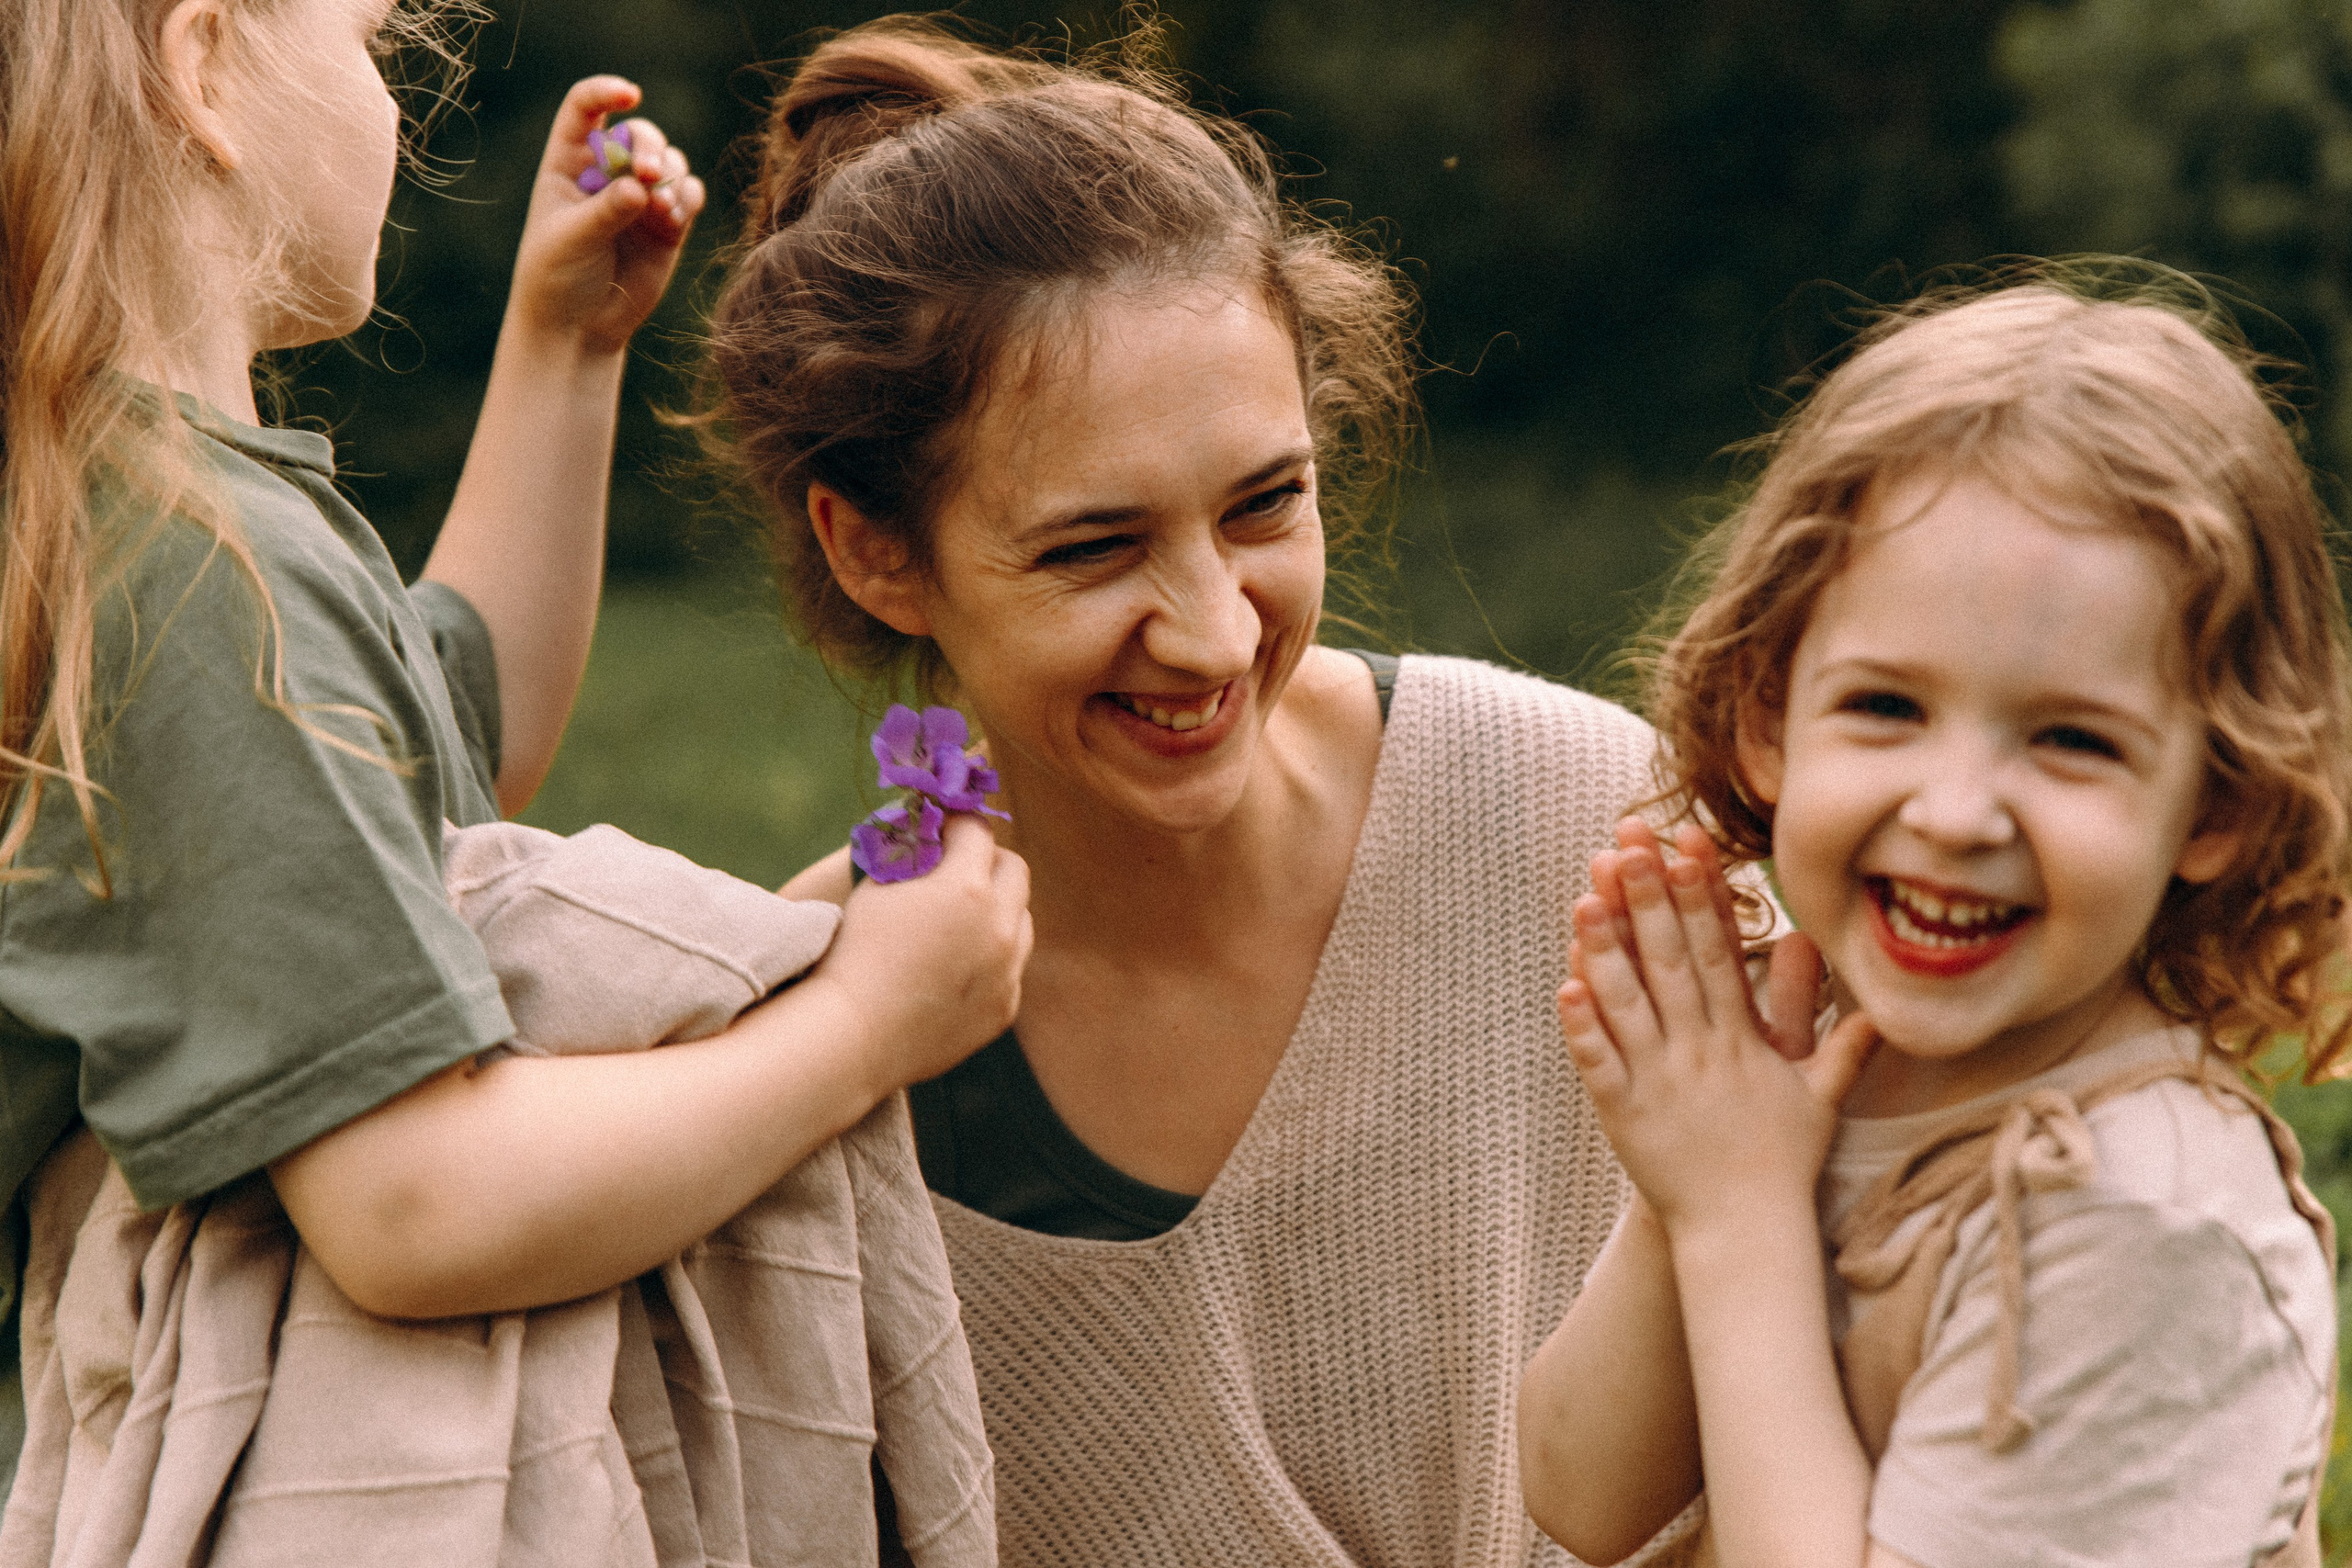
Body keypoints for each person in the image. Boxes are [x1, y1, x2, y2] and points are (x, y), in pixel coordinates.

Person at [0, 0, 1029, 1508]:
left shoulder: (150, 523)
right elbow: (414, 1201)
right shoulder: (196, 581)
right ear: (202, 68)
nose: (398, 101)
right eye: (373, 44)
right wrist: (863, 1023)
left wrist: (566, 349)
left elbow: (466, 728)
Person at [703, 17, 1662, 1564]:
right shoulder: (810, 1049)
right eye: (1093, 548)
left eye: (1266, 503)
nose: (1216, 632)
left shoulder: (1582, 814)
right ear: (877, 549)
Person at [1520, 271, 2345, 1567]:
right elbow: (1580, 1491)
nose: (1957, 811)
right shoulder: (1828, 1068)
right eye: (1887, 708)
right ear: (1765, 716)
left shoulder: (2144, 1226)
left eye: (2072, 739)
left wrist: (1741, 1220)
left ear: (2218, 804)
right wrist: (1693, 1172)